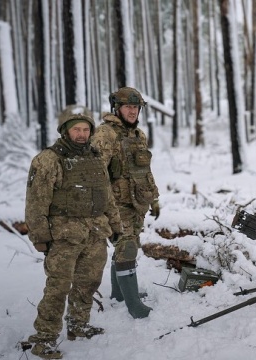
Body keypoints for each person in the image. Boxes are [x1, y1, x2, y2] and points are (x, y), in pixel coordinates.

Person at [24, 105, 122, 359]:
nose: (81, 134)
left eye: (86, 129)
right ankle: (43, 339)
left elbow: (107, 195)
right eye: (76, 129)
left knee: (87, 284)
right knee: (58, 287)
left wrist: (116, 227)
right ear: (65, 131)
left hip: (95, 233)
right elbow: (36, 203)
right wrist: (40, 237)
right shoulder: (48, 159)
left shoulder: (95, 156)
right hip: (64, 236)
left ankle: (78, 326)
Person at [91, 87, 159, 319]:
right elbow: (95, 174)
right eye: (128, 107)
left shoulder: (138, 135)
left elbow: (145, 171)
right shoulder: (105, 134)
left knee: (125, 249)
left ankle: (120, 296)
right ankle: (134, 306)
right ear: (117, 108)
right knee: (127, 248)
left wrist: (154, 198)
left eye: (135, 107)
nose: (132, 111)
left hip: (137, 203)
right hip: (116, 205)